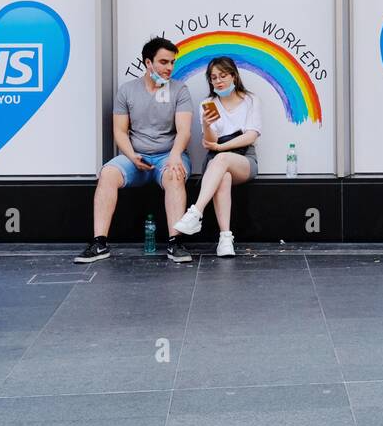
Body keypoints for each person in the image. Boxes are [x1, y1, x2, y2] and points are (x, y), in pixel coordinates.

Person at [76, 36, 195, 263]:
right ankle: (99, 243)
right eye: (163, 62)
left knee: (174, 174)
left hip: (167, 155)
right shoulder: (127, 91)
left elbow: (184, 131)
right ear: (148, 63)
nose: (169, 67)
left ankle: (175, 243)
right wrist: (132, 156)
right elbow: (120, 131)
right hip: (134, 156)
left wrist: (174, 156)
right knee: (108, 173)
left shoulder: (180, 90)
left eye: (172, 62)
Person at [172, 57, 262, 257]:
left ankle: (195, 212)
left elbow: (251, 135)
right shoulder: (208, 103)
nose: (219, 81)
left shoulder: (250, 99)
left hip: (244, 158)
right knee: (223, 176)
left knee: (221, 160)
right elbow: (209, 141)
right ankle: (225, 239)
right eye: (213, 78)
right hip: (215, 161)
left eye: (223, 75)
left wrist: (222, 147)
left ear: (234, 76)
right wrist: (205, 124)